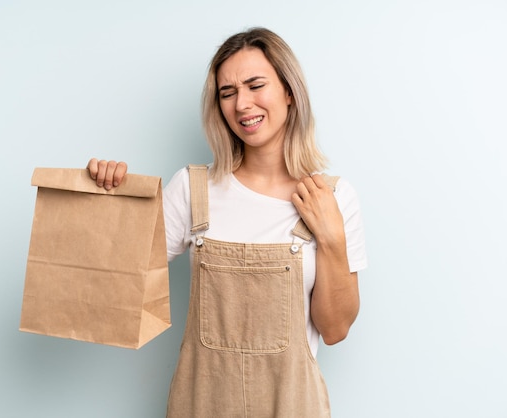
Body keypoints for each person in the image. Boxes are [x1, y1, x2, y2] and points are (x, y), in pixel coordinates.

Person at [87, 27, 367, 418]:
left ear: (289, 91)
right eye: (228, 93)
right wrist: (107, 198)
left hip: (291, 406)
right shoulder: (192, 188)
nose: (242, 105)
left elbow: (334, 330)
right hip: (201, 405)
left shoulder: (333, 198)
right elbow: (120, 282)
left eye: (255, 86)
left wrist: (332, 237)